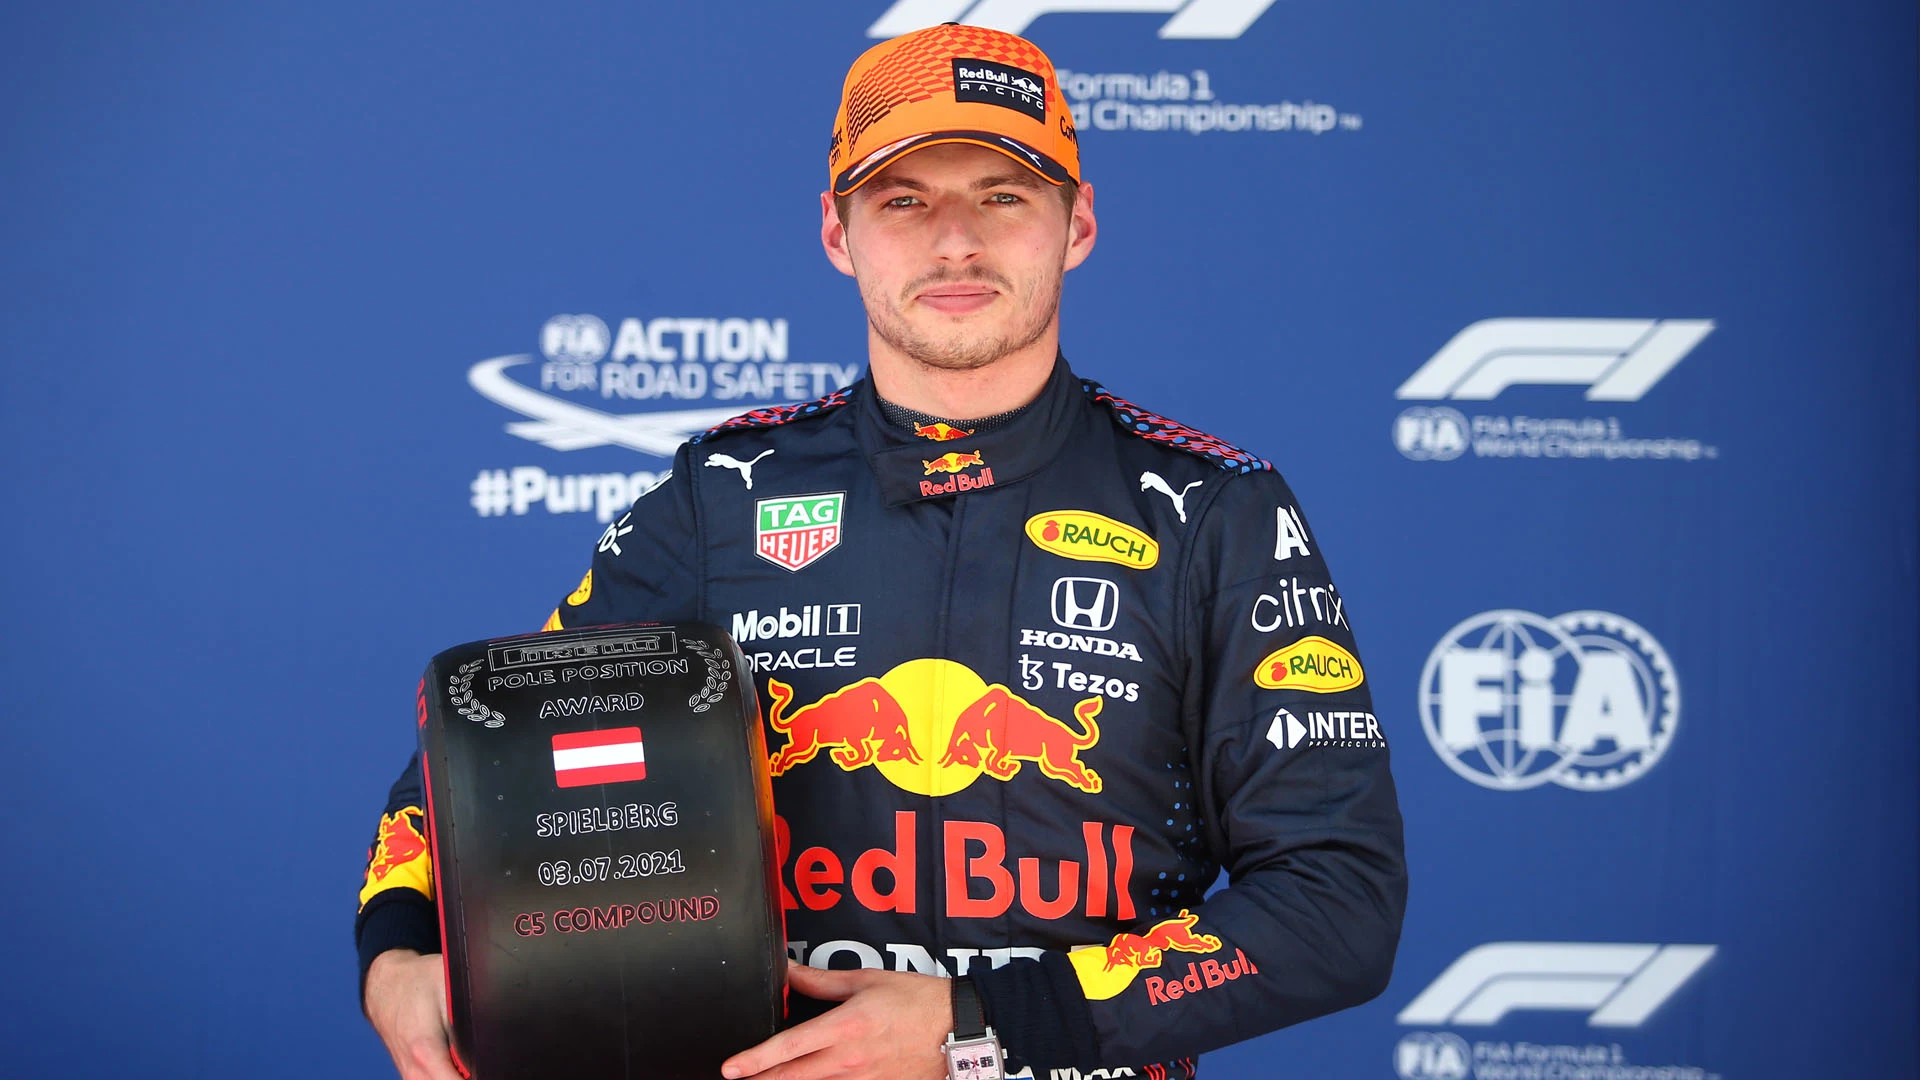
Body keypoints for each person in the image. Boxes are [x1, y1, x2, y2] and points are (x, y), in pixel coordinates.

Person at [356, 22, 1405, 1080]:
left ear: (1077, 224)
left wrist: (981, 1021)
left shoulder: (1212, 511)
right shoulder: (724, 496)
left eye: (1004, 195)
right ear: (836, 231)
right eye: (903, 201)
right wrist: (396, 951)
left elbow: (1339, 903)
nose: (955, 242)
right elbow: (485, 754)